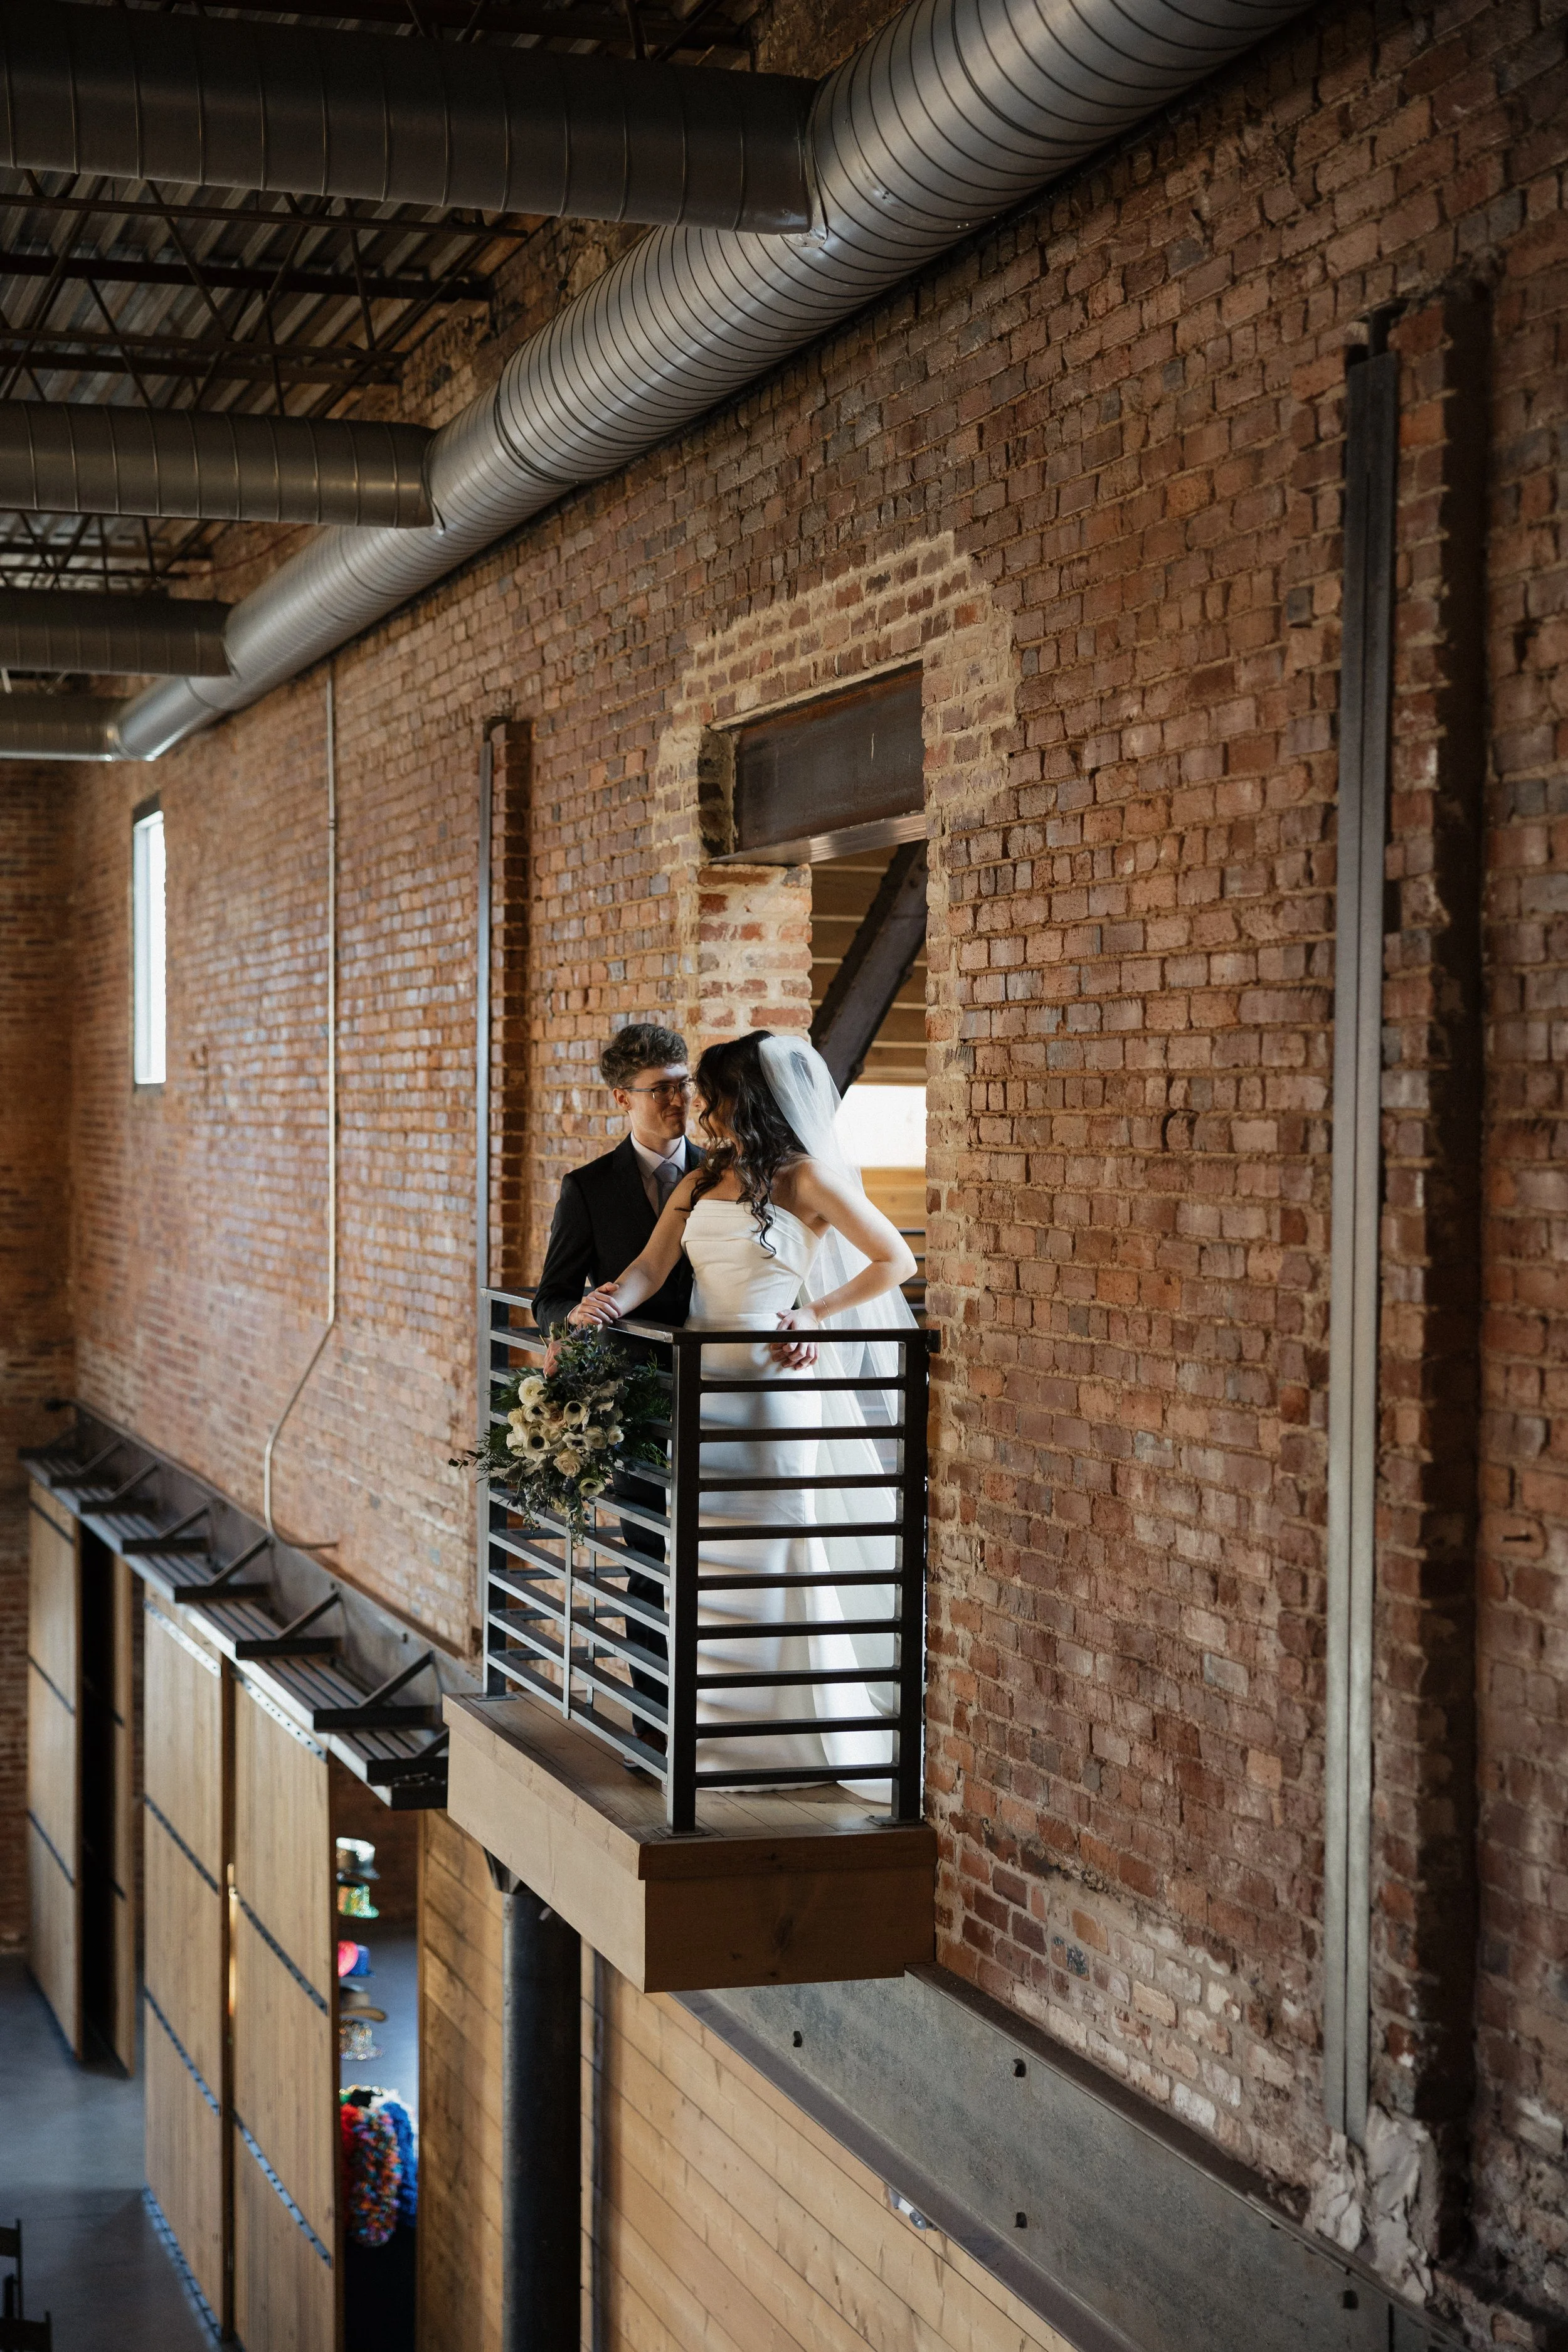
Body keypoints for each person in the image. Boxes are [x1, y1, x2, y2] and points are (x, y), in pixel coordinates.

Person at [566, 1029, 918, 1790]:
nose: (699, 1105)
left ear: (743, 1098)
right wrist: (603, 1305)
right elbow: (648, 1268)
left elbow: (897, 1259)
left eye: (711, 1091)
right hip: (702, 1376)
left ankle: (784, 1739)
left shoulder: (808, 1179)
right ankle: (714, 1744)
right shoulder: (702, 1181)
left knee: (772, 1544)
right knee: (706, 1551)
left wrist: (815, 1314)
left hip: (769, 1383)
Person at [532, 1022, 704, 1742]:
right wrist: (571, 1315)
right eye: (660, 1089)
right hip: (632, 1400)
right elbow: (548, 1294)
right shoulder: (589, 1188)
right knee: (646, 1562)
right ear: (621, 1098)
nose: (677, 1100)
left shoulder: (726, 1170)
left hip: (720, 1387)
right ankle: (656, 1728)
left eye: (683, 1084)